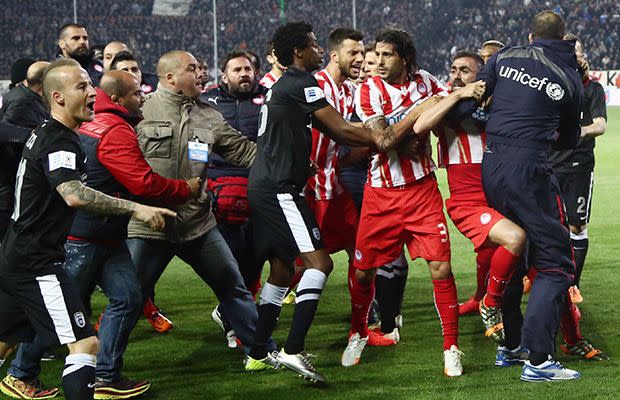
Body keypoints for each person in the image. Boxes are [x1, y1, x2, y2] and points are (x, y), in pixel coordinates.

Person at [246, 21, 419, 383]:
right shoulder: (300, 82)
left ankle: (258, 352)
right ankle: (293, 350)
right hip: (281, 189)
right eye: (312, 45)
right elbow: (338, 128)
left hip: (267, 184)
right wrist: (383, 137)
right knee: (320, 264)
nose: (318, 51)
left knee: (280, 270)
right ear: (298, 52)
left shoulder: (283, 85)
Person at [0, 59, 175, 400]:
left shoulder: (46, 132)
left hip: (16, 254)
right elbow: (74, 194)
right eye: (81, 87)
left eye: (90, 85)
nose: (93, 93)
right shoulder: (60, 141)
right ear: (58, 97)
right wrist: (136, 206)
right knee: (85, 343)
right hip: (37, 264)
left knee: (4, 341)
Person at [458, 11, 583, 381]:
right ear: (565, 39)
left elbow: (469, 103)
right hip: (529, 167)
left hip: (491, 165)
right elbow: (570, 139)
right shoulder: (568, 77)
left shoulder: (504, 56)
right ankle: (540, 360)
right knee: (556, 265)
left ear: (530, 36)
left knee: (513, 252)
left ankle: (512, 347)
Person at [127, 50, 268, 363]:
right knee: (129, 299)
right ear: (170, 78)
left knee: (233, 286)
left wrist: (286, 165)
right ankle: (101, 367)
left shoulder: (208, 115)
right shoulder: (141, 110)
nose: (201, 73)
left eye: (200, 67)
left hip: (196, 223)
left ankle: (261, 351)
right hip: (150, 224)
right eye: (192, 68)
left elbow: (245, 152)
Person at [345, 28, 465, 376]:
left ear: (405, 59)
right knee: (364, 273)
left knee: (440, 267)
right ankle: (358, 332)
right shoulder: (368, 91)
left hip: (422, 191)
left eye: (386, 55)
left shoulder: (426, 80)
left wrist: (420, 126)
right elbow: (383, 140)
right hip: (380, 193)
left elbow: (445, 109)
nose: (377, 62)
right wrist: (416, 118)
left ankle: (451, 347)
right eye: (376, 55)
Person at [414, 50, 526, 347]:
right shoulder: (444, 101)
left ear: (483, 77)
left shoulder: (499, 103)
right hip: (467, 199)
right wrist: (459, 93)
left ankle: (488, 304)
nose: (455, 74)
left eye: (465, 70)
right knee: (514, 239)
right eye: (453, 69)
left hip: (502, 193)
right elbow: (421, 126)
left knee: (495, 255)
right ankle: (490, 302)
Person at [202, 49, 269, 348]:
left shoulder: (269, 98)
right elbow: (196, 141)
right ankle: (234, 324)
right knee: (229, 261)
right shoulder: (207, 100)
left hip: (258, 187)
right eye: (237, 69)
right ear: (224, 75)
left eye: (248, 69)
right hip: (221, 189)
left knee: (256, 257)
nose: (244, 74)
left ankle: (230, 314)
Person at [549, 34, 607, 302]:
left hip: (578, 168)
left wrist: (574, 133)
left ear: (584, 57)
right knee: (545, 226)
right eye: (570, 52)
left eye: (579, 52)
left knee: (576, 226)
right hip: (547, 167)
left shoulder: (593, 90)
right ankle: (540, 276)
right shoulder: (550, 87)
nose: (576, 57)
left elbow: (600, 125)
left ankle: (573, 284)